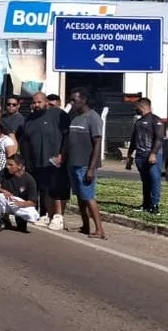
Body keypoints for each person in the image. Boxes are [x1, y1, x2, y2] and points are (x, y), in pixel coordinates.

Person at [20, 92, 71, 230]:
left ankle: (58, 217)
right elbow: (25, 141)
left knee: (56, 189)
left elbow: (67, 136)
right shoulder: (29, 119)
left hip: (55, 160)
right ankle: (45, 214)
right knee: (42, 189)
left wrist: (62, 154)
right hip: (36, 161)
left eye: (39, 102)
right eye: (34, 102)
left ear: (46, 102)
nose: (36, 105)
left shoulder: (57, 114)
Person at [66, 87, 106, 239]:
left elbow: (97, 143)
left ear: (83, 100)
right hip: (73, 163)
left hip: (85, 164)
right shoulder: (75, 117)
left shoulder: (93, 118)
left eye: (74, 100)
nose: (72, 103)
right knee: (80, 197)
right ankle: (85, 225)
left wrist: (91, 168)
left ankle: (100, 229)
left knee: (89, 196)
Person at [127, 97, 165, 214]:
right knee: (146, 181)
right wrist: (129, 154)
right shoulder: (138, 122)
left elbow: (159, 138)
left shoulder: (155, 120)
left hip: (152, 154)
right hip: (140, 155)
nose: (135, 109)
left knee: (154, 179)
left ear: (142, 107)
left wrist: (153, 154)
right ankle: (146, 204)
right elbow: (134, 139)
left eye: (136, 106)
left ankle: (154, 206)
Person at [0, 154, 40, 232]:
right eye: (7, 164)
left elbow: (33, 202)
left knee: (32, 215)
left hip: (18, 203)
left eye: (11, 165)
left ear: (19, 166)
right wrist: (2, 190)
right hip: (6, 200)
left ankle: (20, 219)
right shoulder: (4, 172)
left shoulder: (29, 180)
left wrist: (22, 204)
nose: (8, 167)